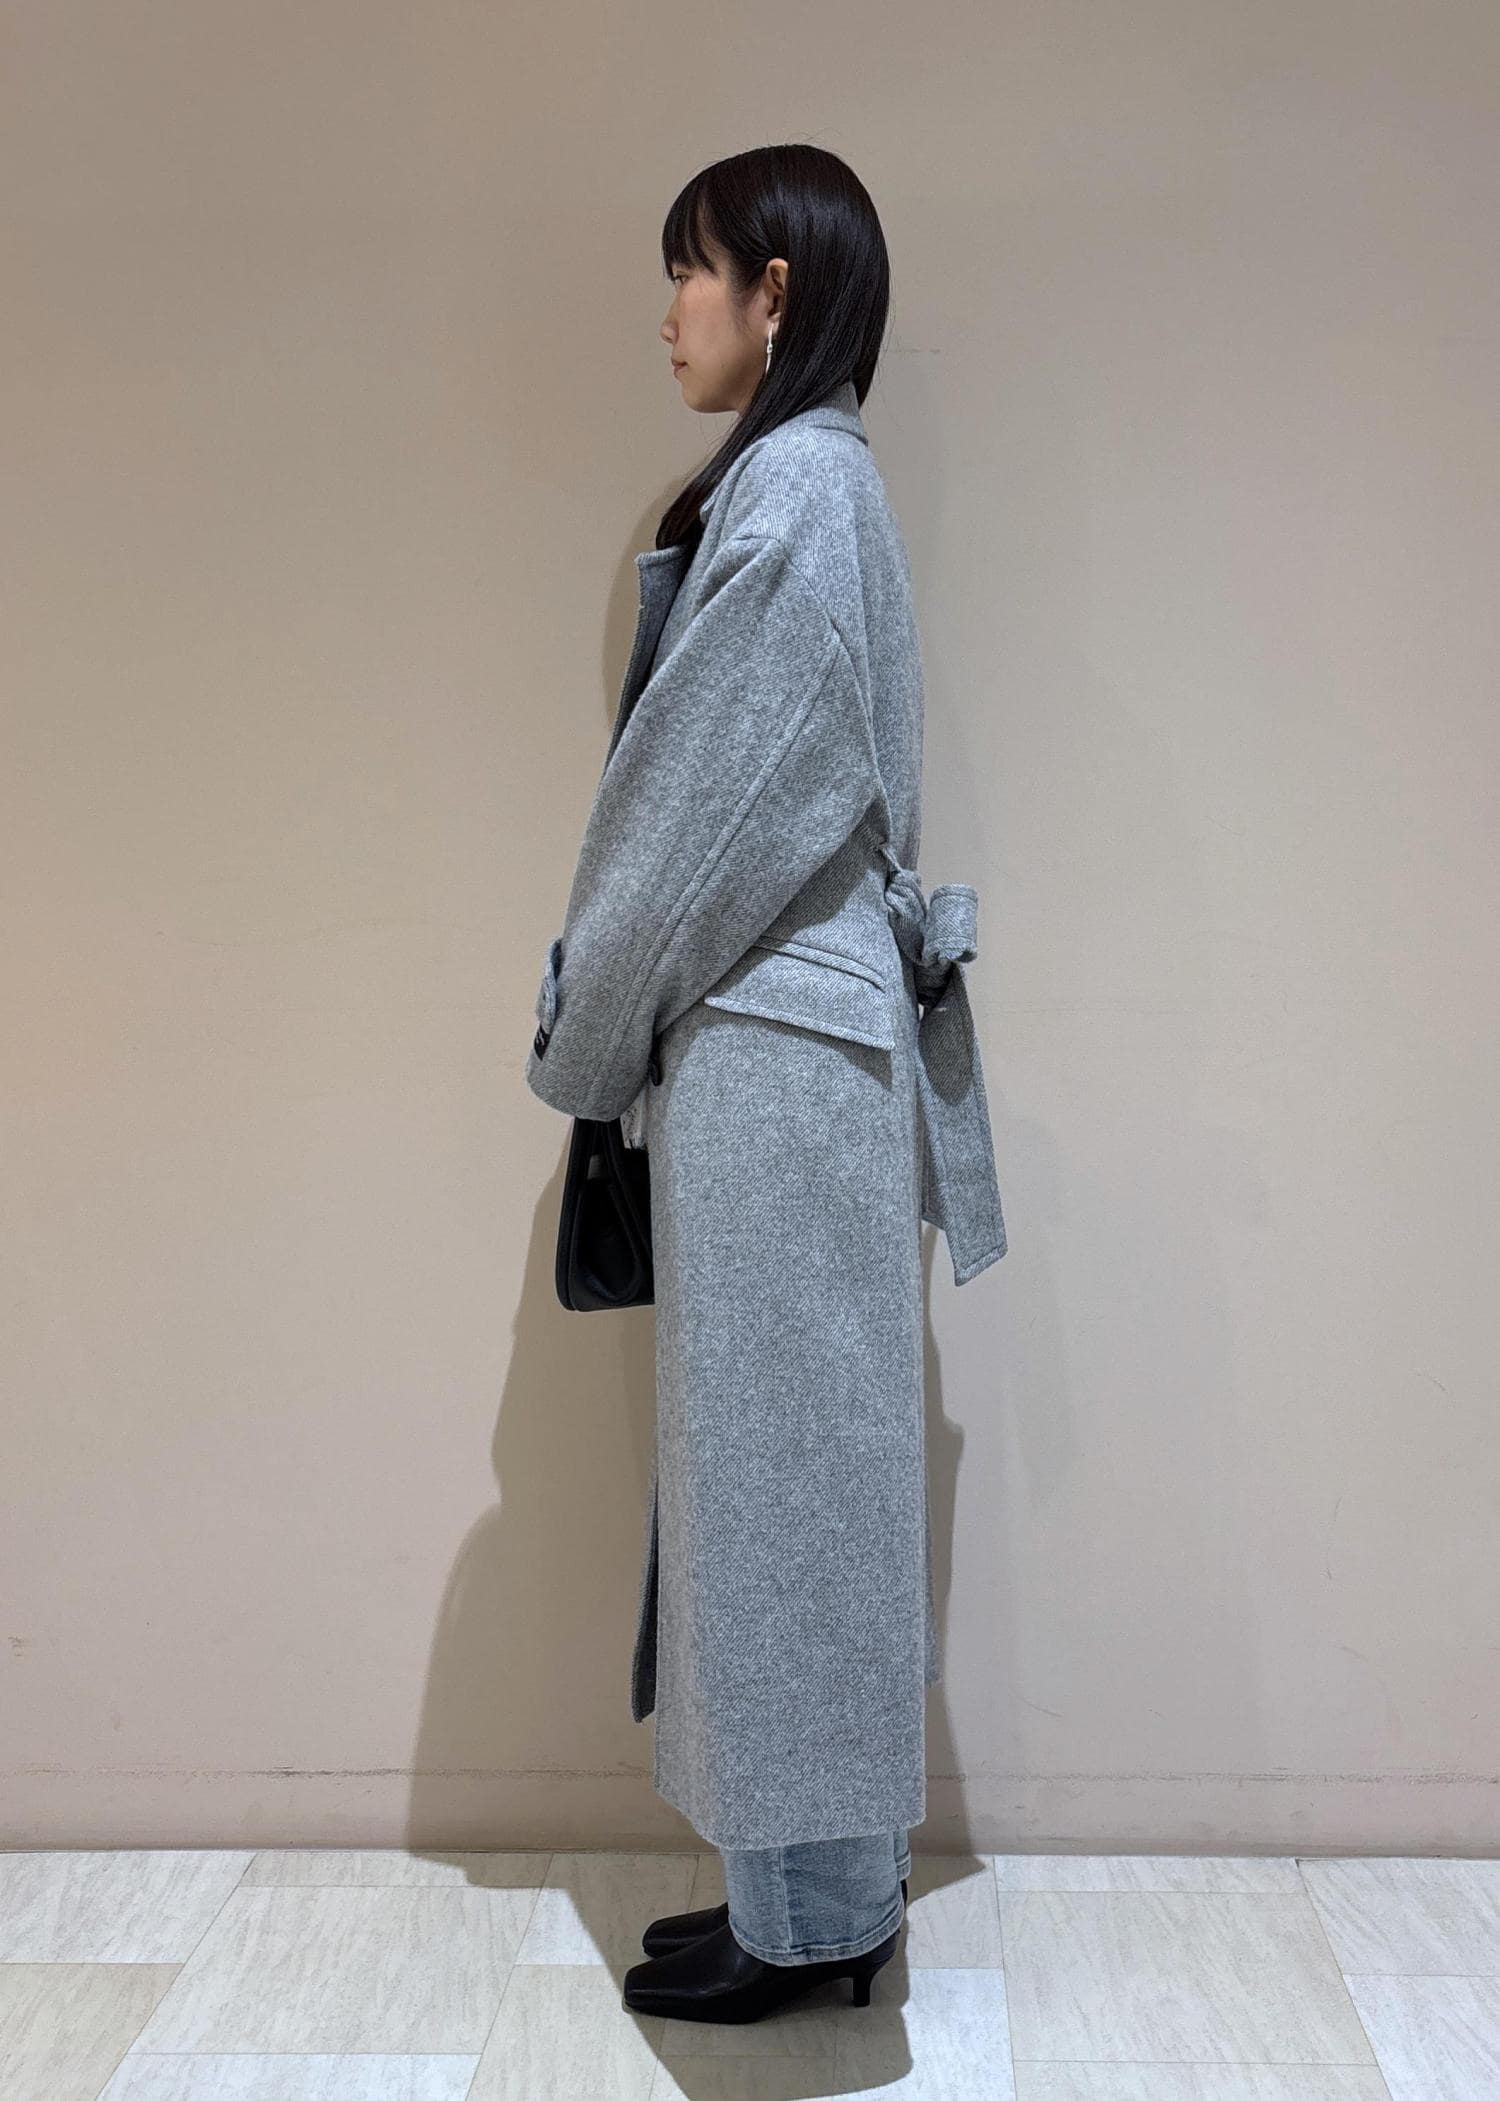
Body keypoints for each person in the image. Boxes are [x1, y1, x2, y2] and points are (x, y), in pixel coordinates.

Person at [524, 143, 1008, 2023]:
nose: (669, 311)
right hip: (803, 1056)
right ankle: (814, 1902)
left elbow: (685, 826)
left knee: (785, 1490)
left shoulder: (798, 491)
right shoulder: (817, 488)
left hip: (778, 1062)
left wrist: (579, 1028)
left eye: (691, 270)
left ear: (776, 292)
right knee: (796, 1484)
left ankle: (810, 1925)